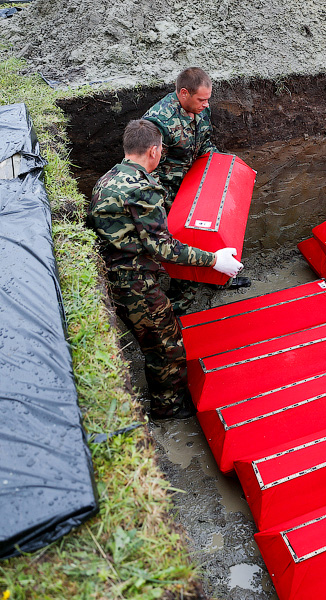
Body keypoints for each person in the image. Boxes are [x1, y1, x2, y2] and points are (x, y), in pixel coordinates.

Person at [89, 119, 243, 420]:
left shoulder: (108, 177)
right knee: (166, 347)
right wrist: (214, 259)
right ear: (155, 151)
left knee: (157, 340)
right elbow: (163, 248)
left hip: (115, 276)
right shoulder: (142, 189)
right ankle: (168, 408)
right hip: (134, 283)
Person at [144, 67, 250, 314]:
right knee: (186, 241)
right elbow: (149, 170)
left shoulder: (201, 109)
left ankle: (217, 277)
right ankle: (181, 300)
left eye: (208, 99)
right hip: (170, 195)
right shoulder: (158, 123)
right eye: (201, 99)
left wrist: (218, 171)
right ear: (183, 93)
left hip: (198, 183)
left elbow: (205, 145)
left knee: (215, 230)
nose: (206, 104)